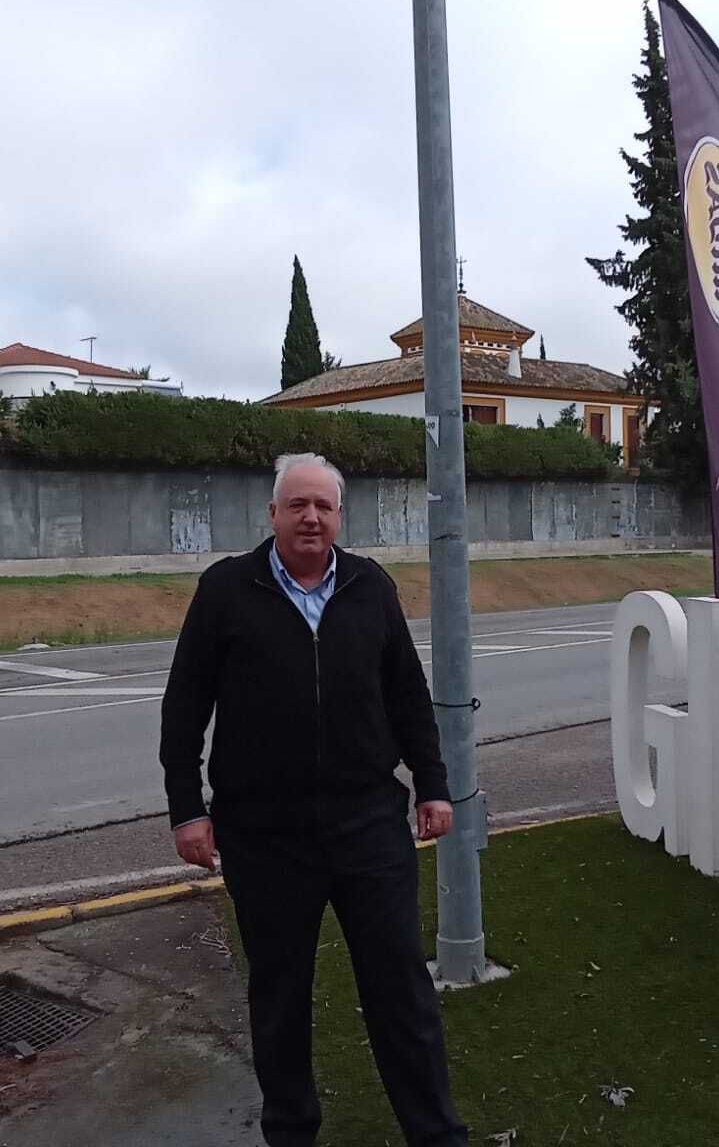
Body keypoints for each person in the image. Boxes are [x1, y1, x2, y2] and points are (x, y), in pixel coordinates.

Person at [160, 452, 467, 1147]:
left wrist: (434, 783)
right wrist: (188, 808)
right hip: (264, 836)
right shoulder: (225, 591)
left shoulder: (369, 586)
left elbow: (408, 697)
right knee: (280, 998)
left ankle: (437, 1132)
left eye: (323, 506)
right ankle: (292, 1132)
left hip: (368, 826)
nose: (310, 517)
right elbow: (184, 709)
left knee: (400, 992)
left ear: (339, 516)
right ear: (272, 514)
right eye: (297, 504)